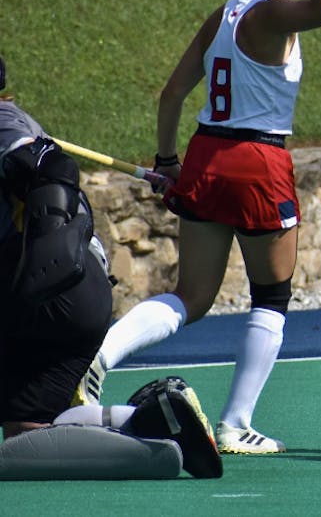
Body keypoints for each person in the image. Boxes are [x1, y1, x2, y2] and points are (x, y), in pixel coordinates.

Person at [75, 0, 321, 455]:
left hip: (208, 153)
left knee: (192, 295)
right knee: (272, 296)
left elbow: (172, 93)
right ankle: (236, 422)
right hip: (257, 162)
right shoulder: (271, 15)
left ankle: (100, 356)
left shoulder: (226, 13)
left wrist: (166, 162)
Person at [0, 60, 220, 480]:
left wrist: (46, 268)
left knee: (22, 438)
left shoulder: (4, 124)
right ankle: (152, 422)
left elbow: (51, 168)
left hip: (50, 291)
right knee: (30, 432)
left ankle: (157, 450)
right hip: (66, 291)